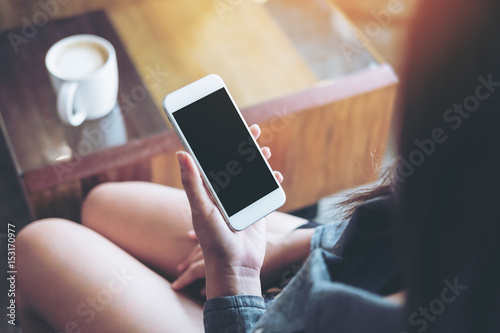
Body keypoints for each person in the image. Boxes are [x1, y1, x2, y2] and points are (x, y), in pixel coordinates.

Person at [15, 0, 500, 331]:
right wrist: (289, 245)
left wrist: (236, 274)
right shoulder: (463, 197)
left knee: (36, 245)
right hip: (326, 266)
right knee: (102, 203)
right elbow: (402, 218)